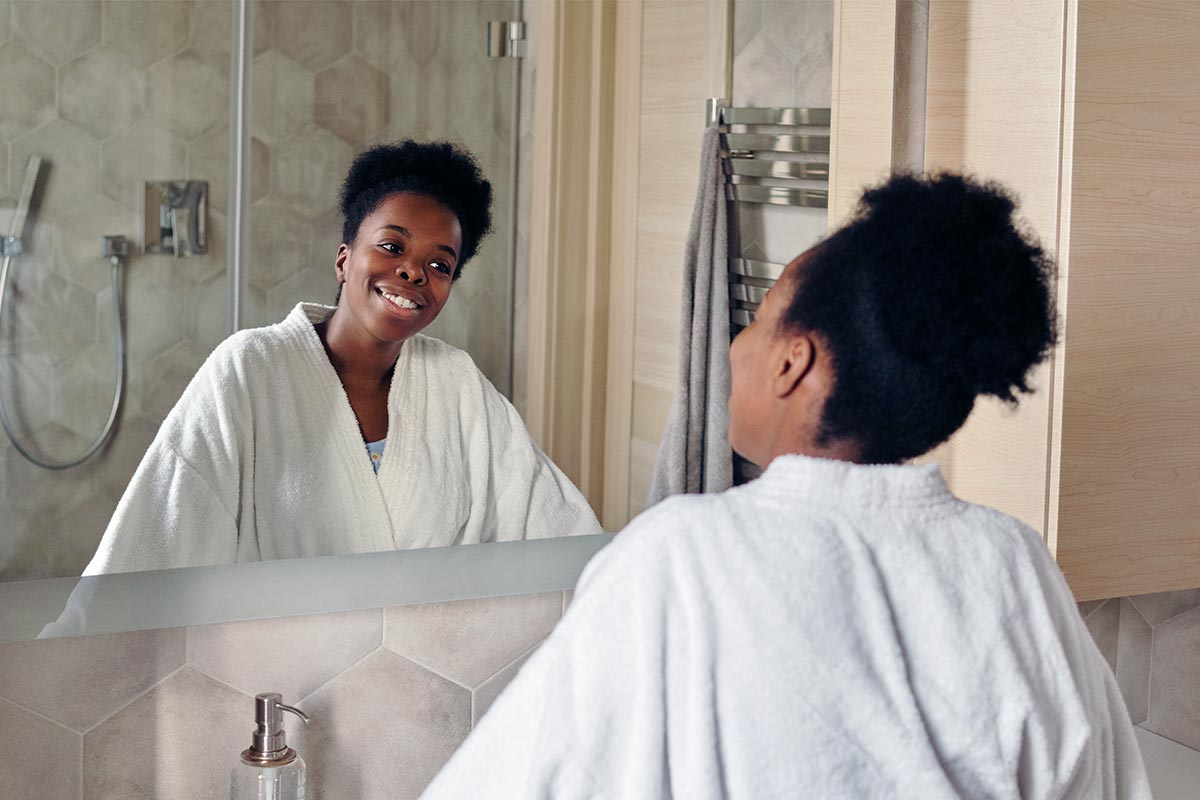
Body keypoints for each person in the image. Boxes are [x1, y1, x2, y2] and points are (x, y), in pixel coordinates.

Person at [421, 174, 1151, 798]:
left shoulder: (685, 556)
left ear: (791, 364)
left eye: (760, 317)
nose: (737, 343)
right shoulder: (1013, 561)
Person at [83, 141, 601, 575]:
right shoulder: (250, 370)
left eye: (439, 264)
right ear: (344, 258)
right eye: (392, 247)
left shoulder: (457, 383)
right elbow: (157, 535)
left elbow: (551, 523)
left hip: (426, 674)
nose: (414, 272)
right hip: (279, 683)